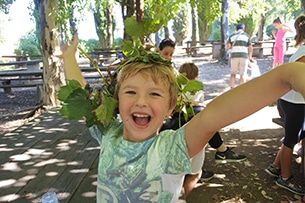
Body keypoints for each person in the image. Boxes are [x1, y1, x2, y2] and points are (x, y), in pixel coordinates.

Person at [61, 35, 305, 203]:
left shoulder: (171, 147)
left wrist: (285, 76)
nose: (141, 102)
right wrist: (69, 58)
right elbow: (83, 98)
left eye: (154, 94)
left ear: (171, 107)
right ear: (116, 99)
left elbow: (213, 116)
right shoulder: (108, 133)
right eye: (131, 92)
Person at [160, 62, 246, 196]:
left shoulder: (189, 87)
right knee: (203, 117)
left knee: (202, 120)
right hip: (177, 120)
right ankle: (221, 150)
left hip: (183, 120)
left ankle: (211, 158)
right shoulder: (177, 87)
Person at [265, 15, 305, 196]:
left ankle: (275, 166)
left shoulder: (300, 49)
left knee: (292, 136)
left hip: (291, 101)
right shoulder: (303, 54)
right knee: (291, 140)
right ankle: (285, 177)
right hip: (294, 102)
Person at [227, 23, 253, 89]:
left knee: (233, 73)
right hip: (243, 56)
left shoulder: (232, 36)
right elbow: (250, 47)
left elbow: (228, 46)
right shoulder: (246, 36)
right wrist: (250, 57)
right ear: (243, 29)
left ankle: (232, 88)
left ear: (236, 29)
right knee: (243, 74)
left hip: (234, 56)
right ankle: (241, 89)